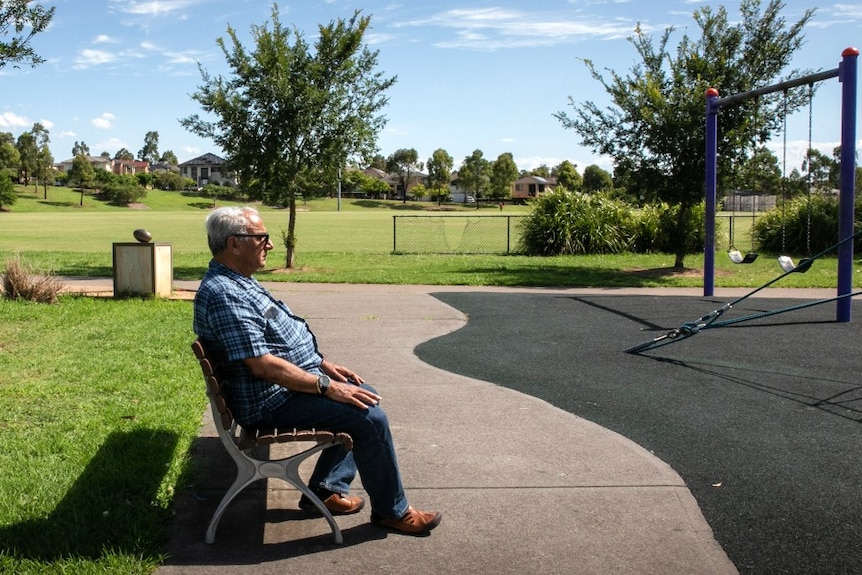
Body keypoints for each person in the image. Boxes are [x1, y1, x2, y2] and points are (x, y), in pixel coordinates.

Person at [193, 206, 441, 536]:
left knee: (362, 393)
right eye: (261, 237)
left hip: (277, 391)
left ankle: (326, 487)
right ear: (234, 244)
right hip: (266, 403)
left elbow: (276, 336)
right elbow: (262, 364)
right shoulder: (225, 293)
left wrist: (322, 364)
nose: (269, 244)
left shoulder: (239, 283)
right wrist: (326, 386)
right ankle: (392, 512)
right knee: (369, 416)